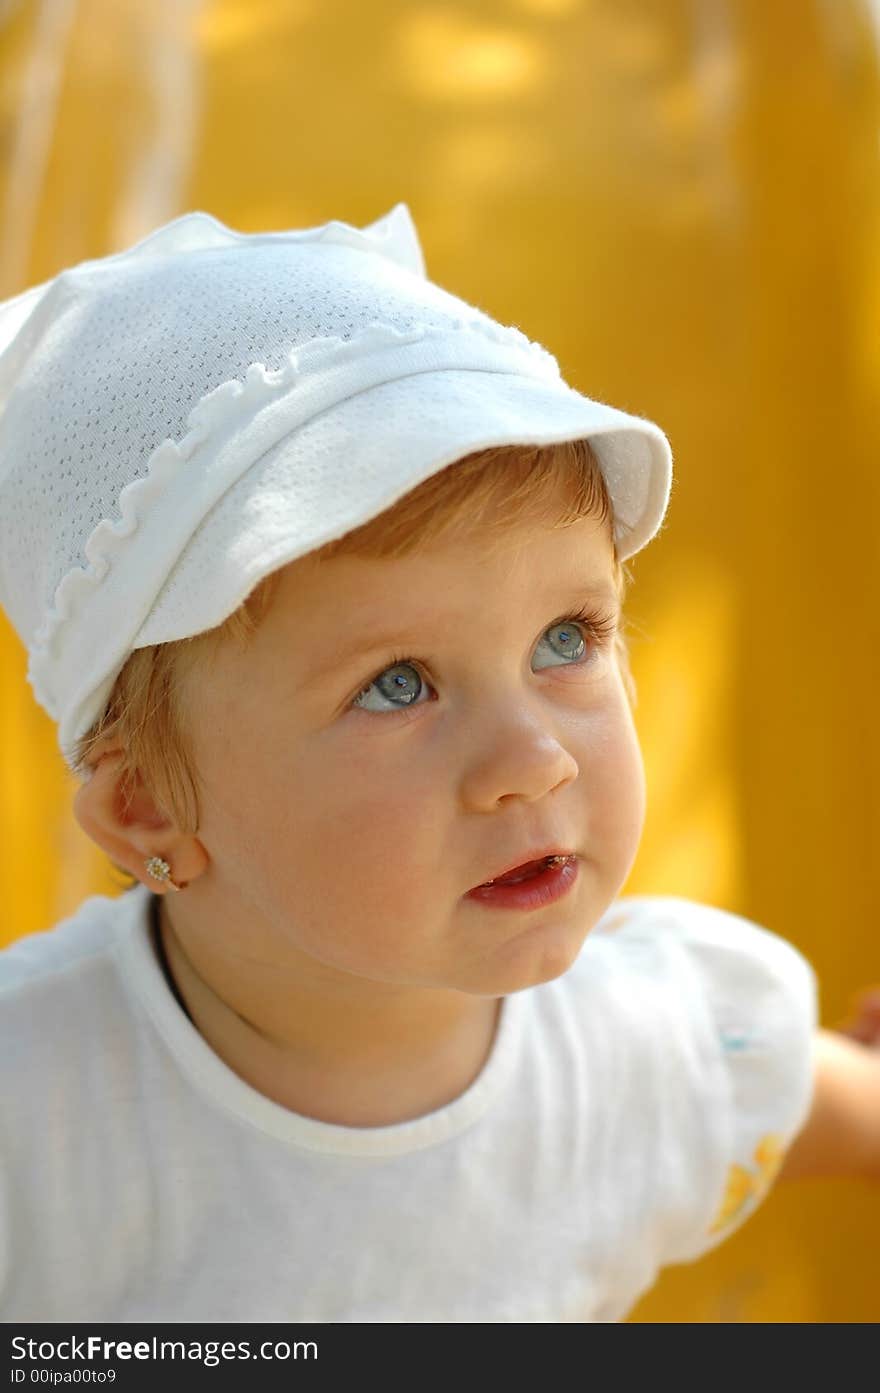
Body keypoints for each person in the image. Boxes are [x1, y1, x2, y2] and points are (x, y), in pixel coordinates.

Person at [0, 204, 877, 1324]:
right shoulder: (33, 1119)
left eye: (567, 639)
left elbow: (808, 1102)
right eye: (396, 683)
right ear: (149, 808)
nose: (533, 760)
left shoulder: (653, 1044)